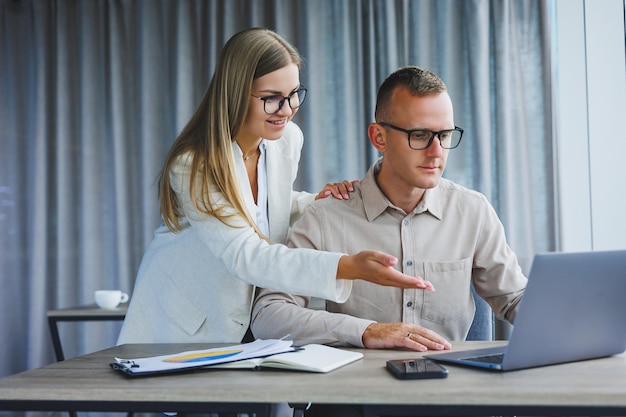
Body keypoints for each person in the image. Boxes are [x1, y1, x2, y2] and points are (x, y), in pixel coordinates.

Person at [117, 30, 432, 347]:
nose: (288, 109)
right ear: (236, 94)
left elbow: (261, 207)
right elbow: (246, 254)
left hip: (246, 320)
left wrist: (314, 202)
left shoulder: (286, 140)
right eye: (272, 99)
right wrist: (346, 267)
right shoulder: (195, 166)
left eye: (295, 93)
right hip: (183, 326)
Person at [251, 65, 527, 374]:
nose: (437, 152)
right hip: (359, 396)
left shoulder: (473, 211)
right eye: (419, 135)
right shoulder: (324, 218)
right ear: (378, 137)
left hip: (451, 395)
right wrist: (365, 331)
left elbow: (515, 299)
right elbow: (268, 316)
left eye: (445, 135)